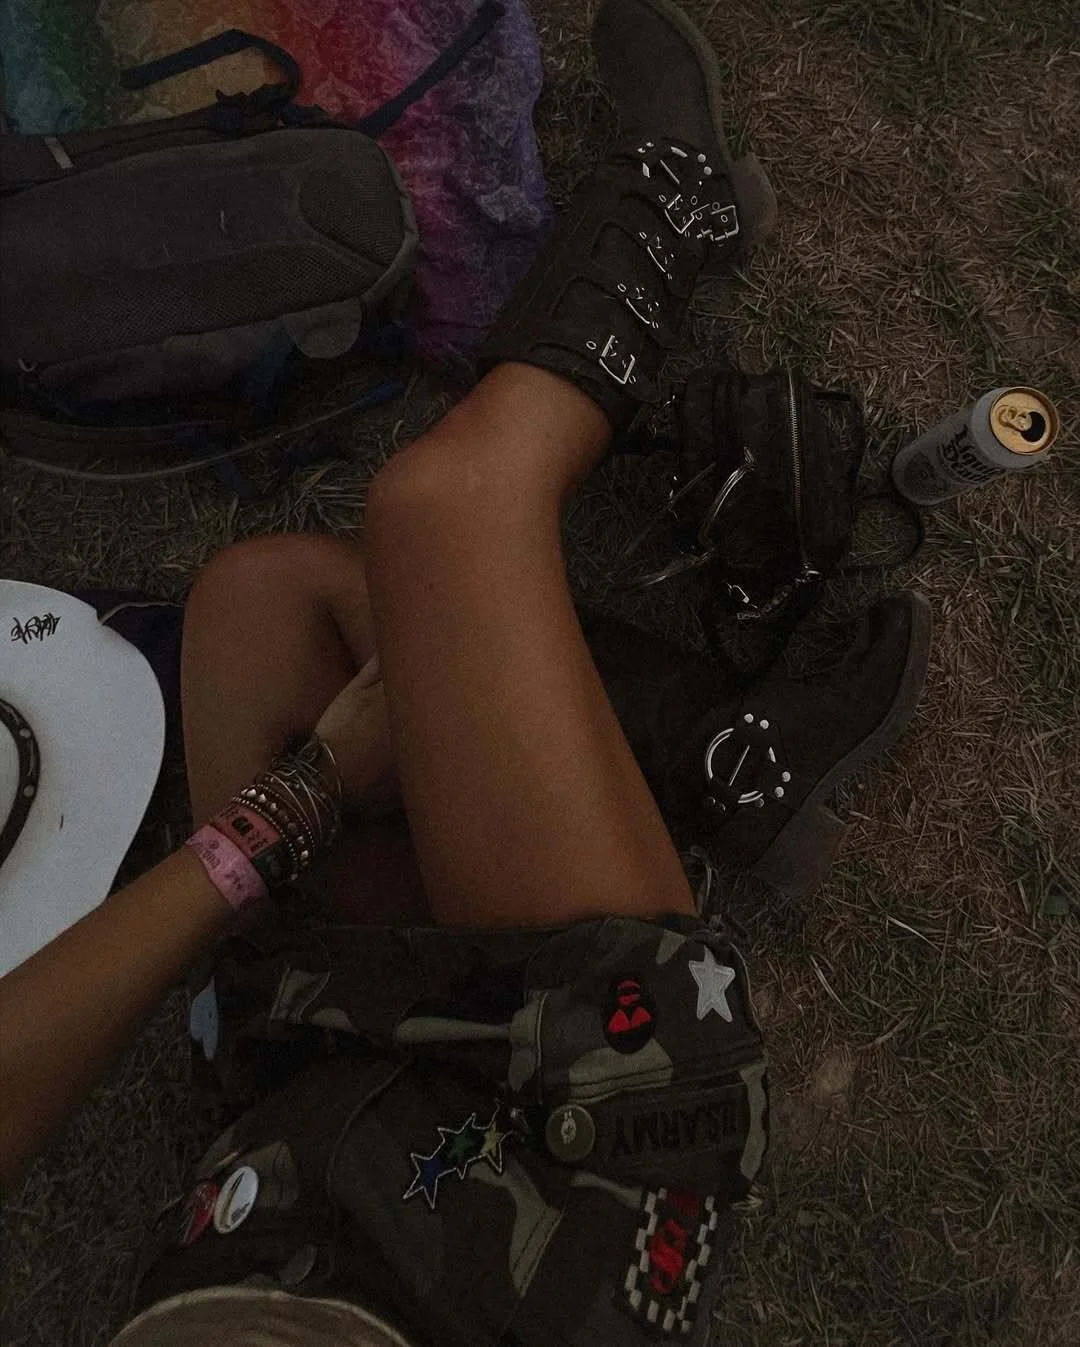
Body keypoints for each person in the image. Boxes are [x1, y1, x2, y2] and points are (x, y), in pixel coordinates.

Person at [0, 3, 928, 1343]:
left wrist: (285, 812)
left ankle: (719, 751)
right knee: (446, 508)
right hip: (570, 1156)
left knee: (261, 606)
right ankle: (674, 200)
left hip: (304, 1116)